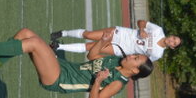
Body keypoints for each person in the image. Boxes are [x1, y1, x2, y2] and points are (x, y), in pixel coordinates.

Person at [0, 28, 153, 98]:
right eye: (134, 54)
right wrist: (102, 41)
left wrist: (98, 81)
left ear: (135, 70)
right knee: (25, 33)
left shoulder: (117, 83)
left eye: (135, 58)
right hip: (63, 66)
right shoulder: (115, 60)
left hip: (60, 79)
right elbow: (91, 56)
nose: (131, 55)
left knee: (34, 43)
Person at [51, 19, 181, 62]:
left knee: (91, 47)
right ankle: (63, 33)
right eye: (174, 38)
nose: (172, 41)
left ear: (172, 47)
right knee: (89, 35)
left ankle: (58, 47)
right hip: (120, 34)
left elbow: (142, 61)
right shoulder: (158, 30)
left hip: (121, 49)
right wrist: (142, 29)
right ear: (172, 35)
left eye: (174, 43)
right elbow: (141, 22)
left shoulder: (158, 54)